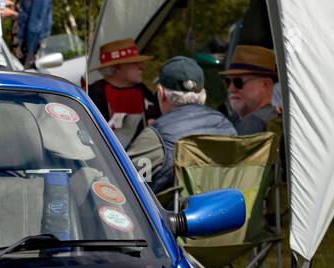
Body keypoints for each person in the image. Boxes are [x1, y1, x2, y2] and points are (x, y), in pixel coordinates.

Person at [126, 56, 238, 195]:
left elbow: (126, 182)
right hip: (228, 213)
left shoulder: (157, 137)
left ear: (161, 94)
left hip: (177, 215)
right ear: (203, 94)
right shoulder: (228, 127)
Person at [88, 38, 160, 125]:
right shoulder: (96, 94)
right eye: (134, 63)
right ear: (117, 67)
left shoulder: (140, 88)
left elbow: (154, 114)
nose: (142, 67)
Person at [223, 45, 279, 135]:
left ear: (265, 84)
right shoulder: (236, 118)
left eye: (238, 82)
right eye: (228, 82)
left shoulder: (254, 122)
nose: (231, 89)